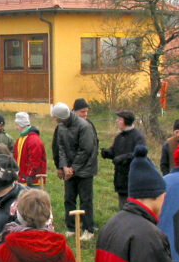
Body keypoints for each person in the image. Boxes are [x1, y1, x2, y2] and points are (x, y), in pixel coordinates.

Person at [51, 101, 98, 239]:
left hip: (85, 169)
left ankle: (88, 229)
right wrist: (64, 166)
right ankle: (71, 227)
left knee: (85, 200)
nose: (54, 119)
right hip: (69, 169)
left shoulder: (84, 126)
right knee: (69, 198)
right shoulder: (61, 127)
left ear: (61, 117)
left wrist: (73, 168)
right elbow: (61, 148)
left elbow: (86, 150)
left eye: (55, 117)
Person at [101, 110, 145, 209]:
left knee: (134, 208)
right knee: (123, 207)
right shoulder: (119, 136)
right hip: (121, 179)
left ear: (126, 121)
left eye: (120, 119)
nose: (117, 121)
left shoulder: (138, 137)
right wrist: (107, 153)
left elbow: (140, 153)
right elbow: (115, 151)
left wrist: (123, 158)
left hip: (134, 179)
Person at [12, 112, 46, 187]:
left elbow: (35, 160)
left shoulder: (33, 140)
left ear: (22, 125)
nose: (16, 128)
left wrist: (30, 175)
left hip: (32, 181)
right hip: (22, 180)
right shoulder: (20, 139)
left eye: (17, 125)